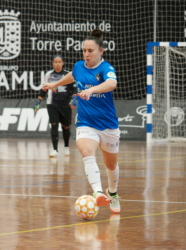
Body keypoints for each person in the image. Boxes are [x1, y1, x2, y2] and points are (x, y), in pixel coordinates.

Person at [42, 29, 121, 214]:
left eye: (90, 51)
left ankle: (114, 193)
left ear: (101, 51)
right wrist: (54, 84)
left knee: (111, 165)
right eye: (84, 50)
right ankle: (99, 192)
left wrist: (91, 90)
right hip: (86, 123)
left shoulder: (105, 68)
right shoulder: (79, 66)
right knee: (86, 151)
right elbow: (72, 75)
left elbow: (112, 84)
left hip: (108, 125)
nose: (86, 54)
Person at [34, 55, 76, 157]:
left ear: (63, 63)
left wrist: (74, 99)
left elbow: (74, 88)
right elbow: (44, 89)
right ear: (52, 63)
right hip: (52, 104)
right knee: (54, 126)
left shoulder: (67, 74)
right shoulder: (48, 74)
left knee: (66, 127)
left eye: (59, 62)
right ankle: (55, 150)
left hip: (65, 105)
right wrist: (37, 103)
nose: (57, 64)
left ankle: (66, 147)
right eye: (55, 62)